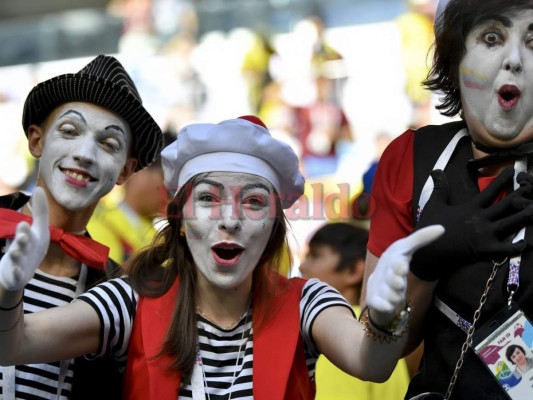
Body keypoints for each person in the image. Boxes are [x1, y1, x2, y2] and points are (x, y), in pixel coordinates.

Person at [0, 115, 443, 399]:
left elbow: (372, 364)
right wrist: (8, 290)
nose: (229, 219)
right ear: (179, 218)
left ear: (273, 225)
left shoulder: (307, 301)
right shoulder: (130, 300)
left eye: (253, 202)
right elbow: (15, 344)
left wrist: (384, 321)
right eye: (209, 199)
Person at [361, 1, 533, 399]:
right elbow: (378, 359)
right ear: (455, 59)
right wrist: (422, 269)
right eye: (491, 38)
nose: (513, 61)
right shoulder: (411, 159)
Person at [0, 54, 164, 399]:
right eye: (70, 131)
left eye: (108, 144)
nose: (85, 154)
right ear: (36, 141)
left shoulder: (118, 295)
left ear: (124, 171)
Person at [299, 222, 410, 400]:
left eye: (315, 256)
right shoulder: (383, 330)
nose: (302, 266)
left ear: (354, 271)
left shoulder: (329, 331)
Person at [87, 155, 168, 265]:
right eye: (165, 178)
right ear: (141, 172)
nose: (171, 191)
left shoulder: (162, 238)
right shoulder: (97, 223)